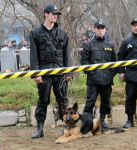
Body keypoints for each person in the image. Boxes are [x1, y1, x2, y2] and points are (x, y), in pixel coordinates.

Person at [30, 4, 73, 139]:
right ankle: (39, 128)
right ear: (46, 14)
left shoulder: (62, 33)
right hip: (44, 73)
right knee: (43, 100)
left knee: (63, 100)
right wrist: (36, 74)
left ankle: (67, 127)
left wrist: (69, 72)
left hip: (60, 72)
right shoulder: (36, 33)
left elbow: (67, 54)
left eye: (57, 14)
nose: (56, 16)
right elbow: (33, 55)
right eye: (53, 13)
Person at [81, 20, 116, 130]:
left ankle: (102, 121)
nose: (100, 30)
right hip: (93, 81)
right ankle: (86, 123)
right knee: (90, 102)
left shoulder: (110, 45)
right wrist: (92, 73)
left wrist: (111, 74)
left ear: (105, 30)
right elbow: (84, 63)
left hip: (107, 80)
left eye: (102, 28)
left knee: (105, 102)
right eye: (98, 28)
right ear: (94, 29)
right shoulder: (88, 45)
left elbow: (115, 62)